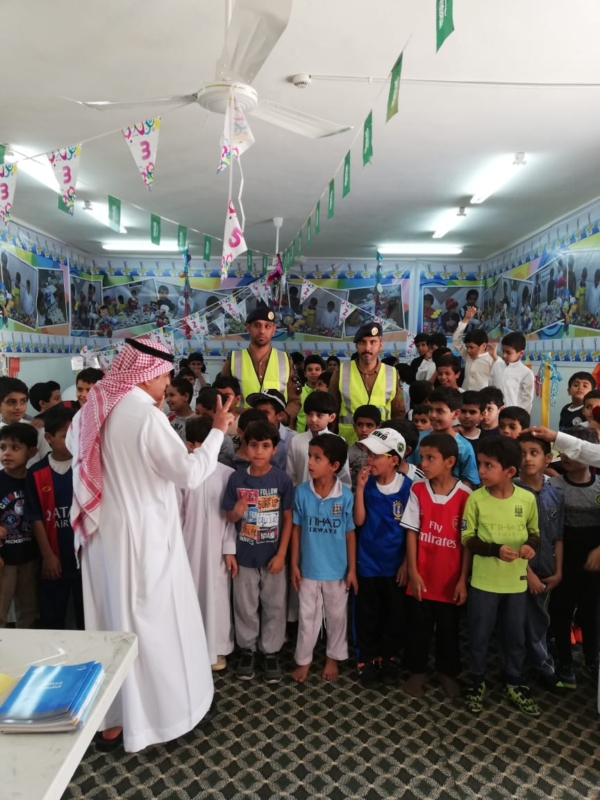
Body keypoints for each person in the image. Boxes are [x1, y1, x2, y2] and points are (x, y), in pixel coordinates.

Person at [67, 337, 235, 753]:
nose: (165, 386)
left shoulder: (94, 406)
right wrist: (218, 431)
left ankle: (113, 721)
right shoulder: (144, 415)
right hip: (145, 538)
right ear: (147, 374)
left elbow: (74, 448)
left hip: (103, 536)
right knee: (156, 626)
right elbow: (189, 474)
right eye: (163, 378)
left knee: (111, 624)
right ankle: (162, 718)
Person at [461, 437, 541, 717]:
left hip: (515, 584)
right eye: (480, 464)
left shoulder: (527, 499)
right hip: (484, 583)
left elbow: (535, 533)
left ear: (509, 471)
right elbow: (467, 538)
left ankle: (514, 681)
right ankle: (476, 680)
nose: (481, 471)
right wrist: (494, 550)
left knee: (514, 635)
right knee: (479, 635)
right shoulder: (476, 499)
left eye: (488, 465)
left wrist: (530, 546)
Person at [222, 420, 294, 684]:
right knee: (245, 605)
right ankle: (248, 649)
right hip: (244, 557)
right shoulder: (236, 478)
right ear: (246, 446)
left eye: (265, 446)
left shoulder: (282, 479)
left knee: (275, 605)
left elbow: (288, 519)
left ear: (274, 449)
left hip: (273, 556)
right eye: (254, 445)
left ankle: (271, 650)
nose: (259, 451)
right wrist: (236, 512)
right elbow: (229, 518)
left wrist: (282, 554)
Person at [402, 433, 472, 697]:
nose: (423, 464)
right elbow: (412, 532)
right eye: (422, 457)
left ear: (450, 461)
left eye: (430, 458)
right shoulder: (418, 489)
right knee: (417, 626)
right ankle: (417, 670)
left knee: (448, 628)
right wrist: (412, 571)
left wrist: (463, 579)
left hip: (450, 578)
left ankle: (447, 672)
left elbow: (467, 543)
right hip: (422, 575)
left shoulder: (466, 495)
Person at [290, 434, 357, 683]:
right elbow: (296, 529)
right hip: (308, 567)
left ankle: (333, 657)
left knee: (337, 615)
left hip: (338, 569)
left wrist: (352, 570)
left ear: (334, 466)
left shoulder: (345, 496)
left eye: (317, 458)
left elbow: (350, 534)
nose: (310, 462)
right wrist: (294, 564)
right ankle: (304, 659)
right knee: (307, 616)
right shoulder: (301, 493)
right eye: (310, 456)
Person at [353, 428, 413, 687]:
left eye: (375, 455)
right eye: (368, 454)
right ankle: (365, 659)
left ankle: (387, 658)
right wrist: (359, 489)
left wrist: (406, 563)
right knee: (367, 614)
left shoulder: (409, 488)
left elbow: (411, 530)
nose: (369, 460)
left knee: (394, 615)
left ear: (394, 460)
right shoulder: (367, 485)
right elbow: (358, 521)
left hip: (394, 566)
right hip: (367, 564)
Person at [180, 416, 236, 672]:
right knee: (188, 595)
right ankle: (190, 648)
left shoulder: (228, 475)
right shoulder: (181, 475)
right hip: (188, 547)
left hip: (218, 549)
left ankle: (217, 649)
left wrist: (229, 549)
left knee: (218, 596)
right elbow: (176, 515)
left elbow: (231, 520)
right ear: (190, 446)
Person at [548, 428, 600, 688]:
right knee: (561, 609)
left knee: (592, 611)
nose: (565, 456)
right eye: (563, 450)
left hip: (594, 560)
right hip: (564, 558)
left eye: (572, 450)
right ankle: (564, 660)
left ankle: (592, 658)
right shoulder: (555, 486)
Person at [25, 405, 83, 631]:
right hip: (53, 557)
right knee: (52, 617)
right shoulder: (36, 473)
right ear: (48, 438)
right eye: (66, 435)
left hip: (84, 558)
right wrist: (48, 555)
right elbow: (36, 517)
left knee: (86, 616)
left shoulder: (85, 469)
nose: (74, 440)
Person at [516, 432, 565, 691]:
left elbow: (558, 537)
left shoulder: (555, 493)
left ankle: (541, 667)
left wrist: (558, 571)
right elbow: (507, 537)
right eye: (522, 453)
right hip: (515, 571)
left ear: (547, 458)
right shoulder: (509, 490)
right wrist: (527, 573)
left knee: (539, 620)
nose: (527, 459)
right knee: (513, 621)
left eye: (533, 453)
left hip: (545, 569)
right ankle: (513, 671)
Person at [330, 323, 405, 445]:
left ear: (380, 344)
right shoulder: (341, 372)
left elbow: (399, 412)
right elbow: (332, 410)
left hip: (382, 444)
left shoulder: (392, 373)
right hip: (348, 443)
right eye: (362, 342)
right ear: (356, 345)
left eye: (373, 342)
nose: (367, 348)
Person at [222, 308, 300, 421]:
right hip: (241, 426)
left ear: (274, 330)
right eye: (257, 325)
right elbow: (222, 398)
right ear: (248, 327)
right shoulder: (233, 360)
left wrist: (283, 417)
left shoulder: (285, 360)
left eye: (267, 326)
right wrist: (243, 412)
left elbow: (295, 400)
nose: (262, 331)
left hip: (275, 428)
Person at [0, 424, 38, 628]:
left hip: (29, 558)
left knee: (28, 610)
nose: (6, 453)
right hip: (4, 560)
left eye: (15, 448)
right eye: (2, 447)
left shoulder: (36, 480)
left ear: (31, 452)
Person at [415, 388, 480, 487]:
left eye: (440, 411)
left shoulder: (464, 447)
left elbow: (469, 481)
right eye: (430, 410)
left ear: (456, 414)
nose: (433, 415)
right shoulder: (419, 438)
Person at [286, 392, 351, 488]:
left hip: (330, 496)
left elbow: (343, 477)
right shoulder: (296, 441)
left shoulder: (338, 442)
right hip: (301, 495)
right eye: (309, 414)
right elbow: (291, 474)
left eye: (319, 415)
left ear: (331, 417)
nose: (313, 419)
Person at [246, 389, 297, 471]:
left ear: (280, 415)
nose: (260, 417)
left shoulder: (293, 440)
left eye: (265, 413)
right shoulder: (248, 436)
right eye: (258, 412)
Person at [488, 332, 534, 413]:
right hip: (494, 414)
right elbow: (490, 389)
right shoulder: (497, 365)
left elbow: (527, 401)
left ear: (521, 353)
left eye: (508, 353)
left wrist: (519, 417)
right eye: (503, 351)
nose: (504, 355)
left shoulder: (526, 373)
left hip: (513, 415)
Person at [452, 307, 494, 390]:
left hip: (482, 396)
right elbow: (456, 340)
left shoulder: (492, 360)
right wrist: (466, 320)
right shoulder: (468, 355)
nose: (468, 350)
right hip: (465, 395)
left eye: (471, 347)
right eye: (467, 347)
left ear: (483, 346)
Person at [195, 387, 237, 468]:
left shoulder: (225, 442)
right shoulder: (190, 429)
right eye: (197, 412)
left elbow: (223, 469)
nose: (199, 418)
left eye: (206, 415)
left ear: (219, 417)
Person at [347, 405, 381, 490]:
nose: (364, 429)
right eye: (360, 425)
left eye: (369, 425)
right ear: (354, 427)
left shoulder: (382, 452)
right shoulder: (347, 452)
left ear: (378, 428)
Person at [296, 355, 325, 433]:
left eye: (317, 369)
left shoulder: (326, 394)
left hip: (322, 436)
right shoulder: (298, 393)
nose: (313, 372)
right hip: (299, 434)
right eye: (310, 370)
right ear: (305, 373)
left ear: (323, 372)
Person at [166, 377, 194, 442]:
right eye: (166, 396)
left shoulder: (197, 421)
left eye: (172, 395)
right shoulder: (167, 418)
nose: (167, 400)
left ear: (186, 396)